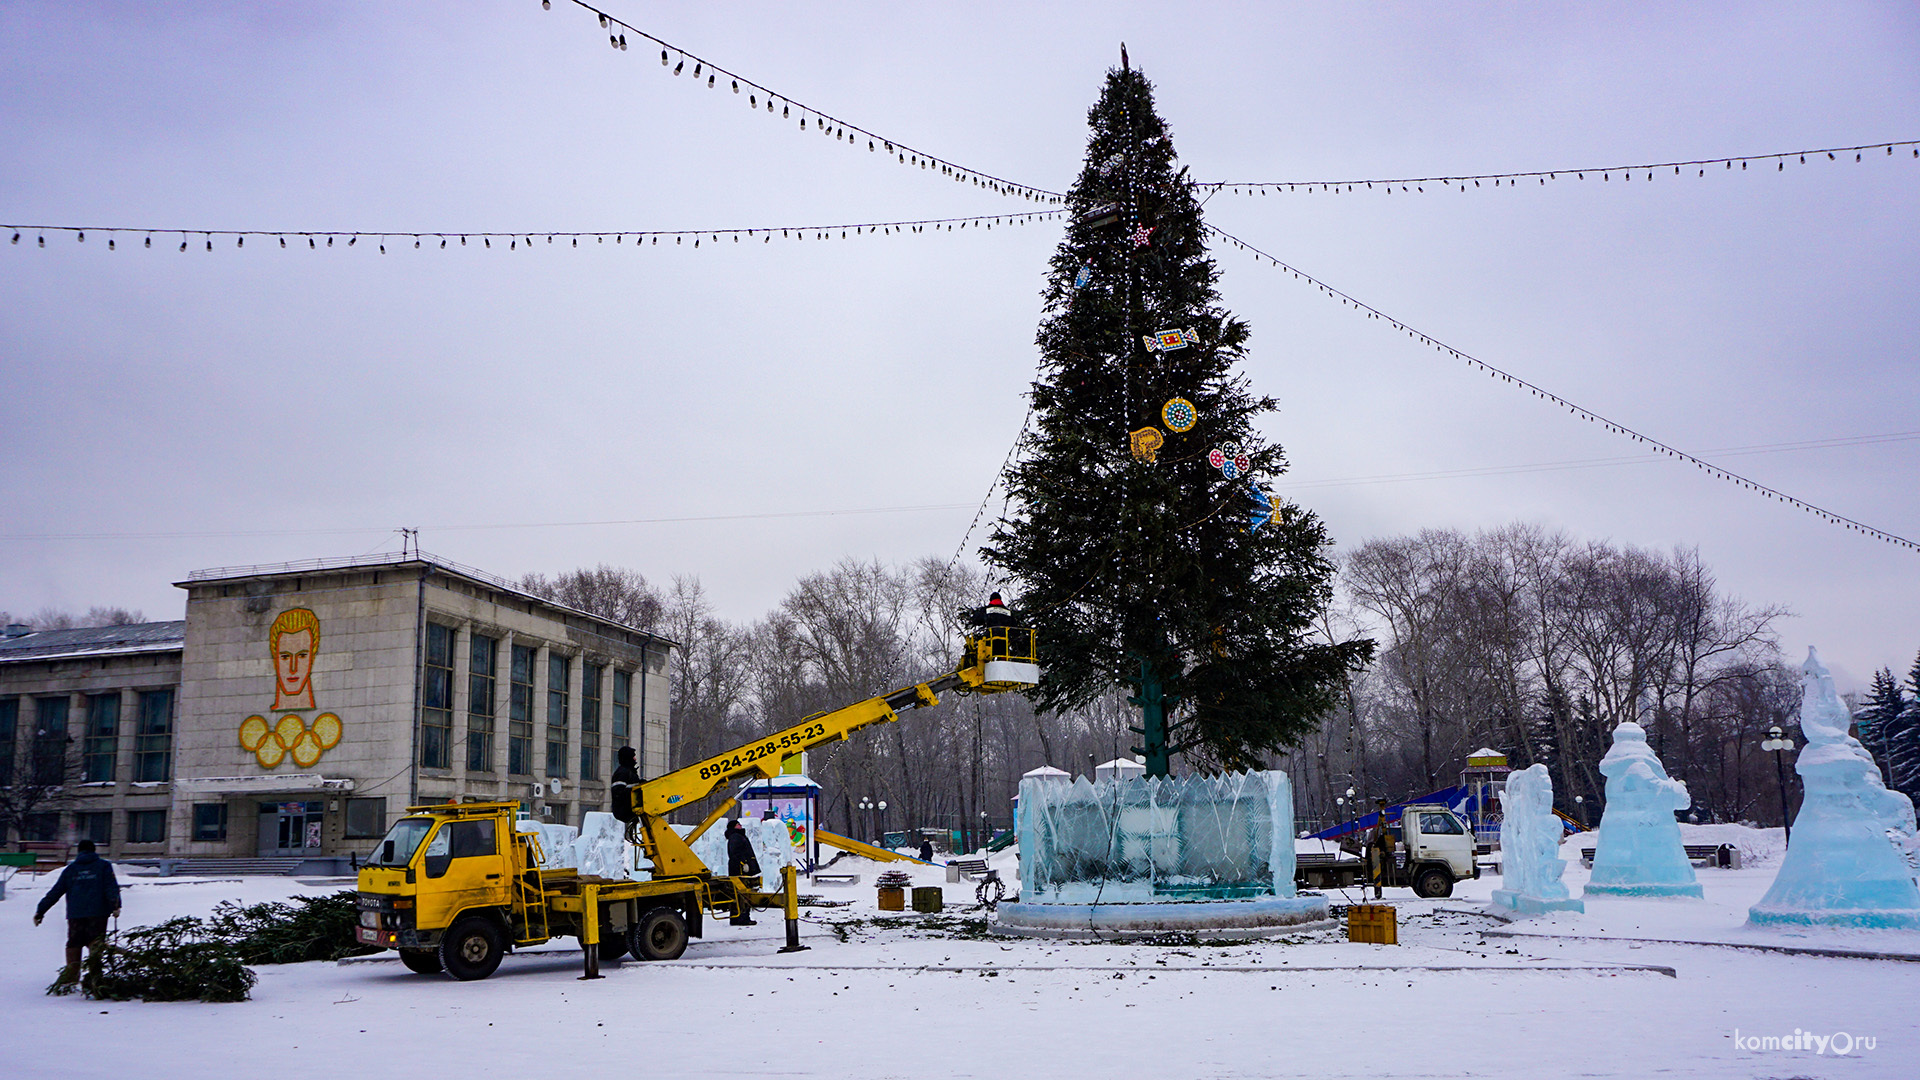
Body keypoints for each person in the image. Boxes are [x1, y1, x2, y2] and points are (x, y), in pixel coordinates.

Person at [34, 839, 121, 990]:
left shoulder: (71, 869)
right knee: (96, 943)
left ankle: (71, 976)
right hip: (98, 913)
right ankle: (95, 976)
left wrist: (41, 910)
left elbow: (56, 891)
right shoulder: (103, 866)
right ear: (94, 850)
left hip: (75, 915)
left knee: (74, 943)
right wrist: (115, 905)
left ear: (79, 851)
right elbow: (111, 887)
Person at [724, 819, 760, 926]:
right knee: (743, 894)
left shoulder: (737, 836)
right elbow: (735, 853)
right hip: (740, 870)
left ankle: (736, 918)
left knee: (738, 894)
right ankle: (742, 918)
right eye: (738, 824)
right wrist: (743, 863)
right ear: (734, 827)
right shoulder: (736, 837)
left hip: (739, 868)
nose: (740, 825)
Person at [610, 746, 640, 824]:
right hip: (626, 810)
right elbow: (619, 793)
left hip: (629, 809)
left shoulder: (629, 772)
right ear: (628, 758)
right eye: (633, 757)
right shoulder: (622, 773)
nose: (635, 759)